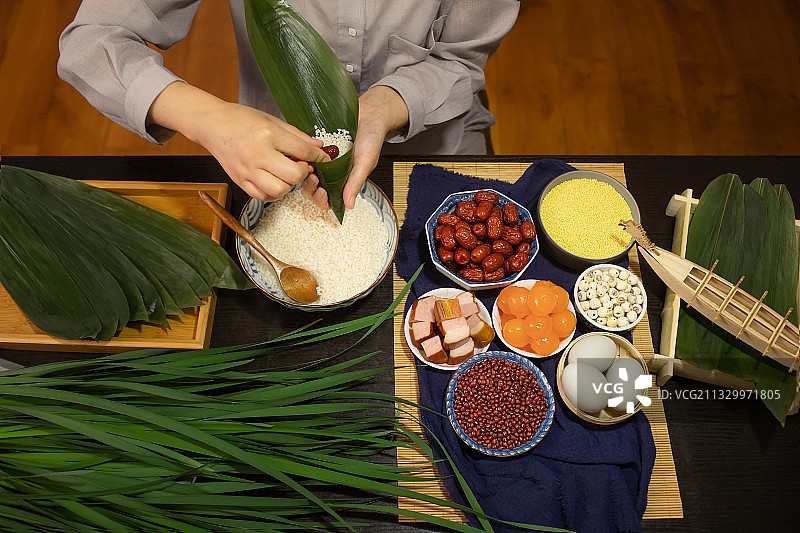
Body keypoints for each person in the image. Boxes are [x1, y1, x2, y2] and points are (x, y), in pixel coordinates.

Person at [58, 0, 519, 211]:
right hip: (273, 169)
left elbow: (459, 59)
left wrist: (385, 106)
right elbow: (93, 40)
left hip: (433, 149)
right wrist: (211, 120)